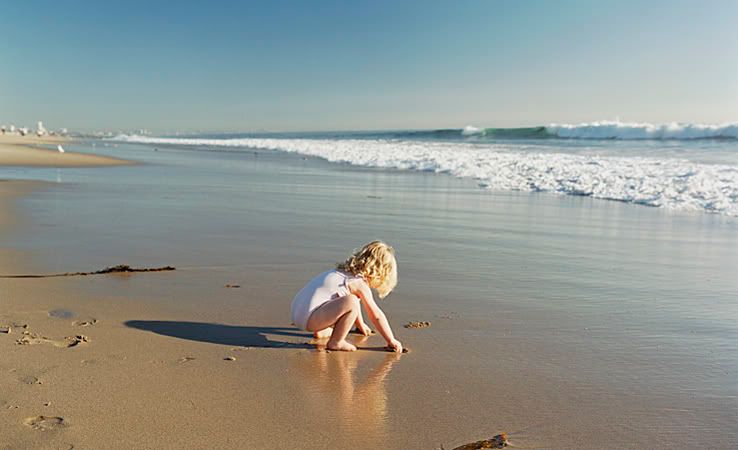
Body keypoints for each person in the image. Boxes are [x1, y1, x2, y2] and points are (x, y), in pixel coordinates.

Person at [290, 241, 402, 352]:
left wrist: (360, 325)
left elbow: (349, 304)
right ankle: (336, 342)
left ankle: (321, 330)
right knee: (351, 301)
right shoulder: (359, 284)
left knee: (349, 300)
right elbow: (375, 315)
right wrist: (391, 340)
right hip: (309, 319)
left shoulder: (341, 273)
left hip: (299, 315)